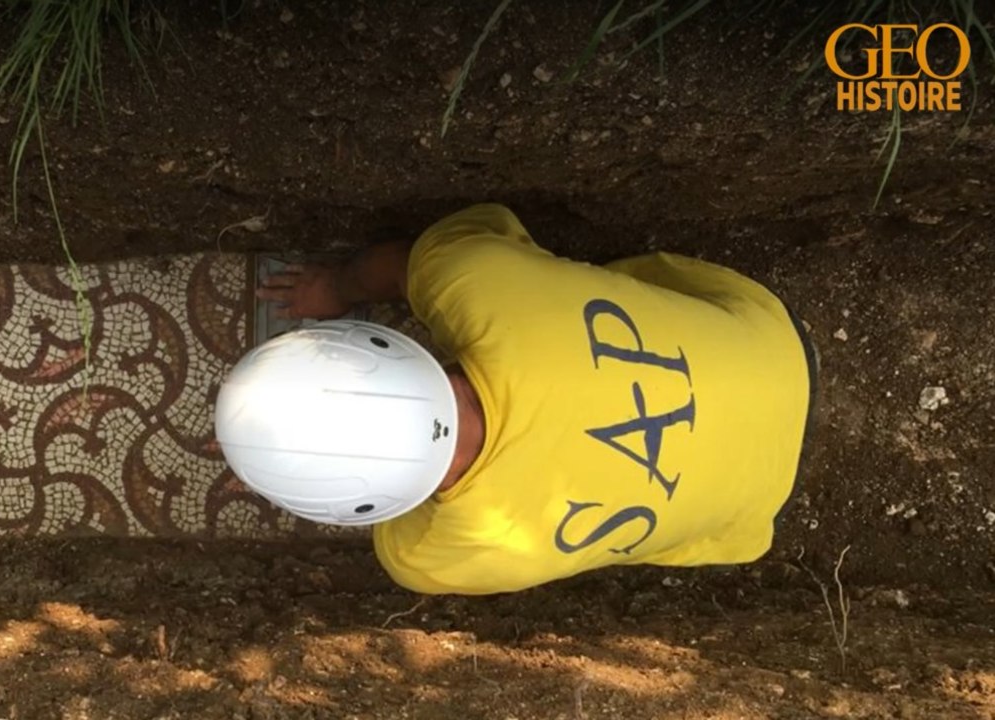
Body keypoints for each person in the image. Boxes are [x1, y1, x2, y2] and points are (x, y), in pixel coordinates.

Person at [213, 203, 817, 595]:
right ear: (381, 344)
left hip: (754, 508)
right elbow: (407, 265)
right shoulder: (469, 278)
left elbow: (398, 513)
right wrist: (337, 285)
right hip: (768, 341)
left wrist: (304, 464)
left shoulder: (432, 558)